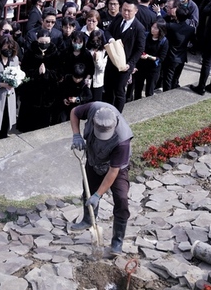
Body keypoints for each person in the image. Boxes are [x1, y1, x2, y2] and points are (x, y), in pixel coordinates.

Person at [69, 102, 133, 257]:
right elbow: (74, 112)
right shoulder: (94, 108)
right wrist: (76, 134)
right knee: (88, 190)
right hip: (94, 157)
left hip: (115, 167)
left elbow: (113, 172)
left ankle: (117, 241)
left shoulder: (122, 140)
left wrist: (98, 195)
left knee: (122, 200)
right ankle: (88, 220)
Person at [105, 0, 146, 112]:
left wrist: (131, 64)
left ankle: (117, 114)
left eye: (129, 11)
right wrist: (111, 39)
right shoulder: (118, 18)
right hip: (112, 60)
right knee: (108, 88)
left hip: (125, 65)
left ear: (135, 11)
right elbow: (107, 31)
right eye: (124, 10)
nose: (126, 13)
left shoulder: (139, 28)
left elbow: (140, 48)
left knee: (119, 90)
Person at [17, 29, 62, 133]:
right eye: (42, 42)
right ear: (37, 40)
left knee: (43, 125)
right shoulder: (30, 52)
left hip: (48, 95)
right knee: (28, 126)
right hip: (31, 93)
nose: (44, 44)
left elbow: (58, 74)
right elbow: (24, 73)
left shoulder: (55, 54)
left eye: (47, 42)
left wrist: (46, 73)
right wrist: (37, 72)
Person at [163, 6, 196, 91]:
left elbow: (161, 24)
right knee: (176, 77)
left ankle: (166, 95)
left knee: (168, 79)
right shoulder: (191, 29)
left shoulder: (172, 26)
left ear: (176, 16)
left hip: (171, 56)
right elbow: (193, 41)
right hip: (182, 57)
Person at [134, 19, 168, 99]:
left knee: (149, 91)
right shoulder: (146, 36)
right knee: (138, 88)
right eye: (153, 27)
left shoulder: (164, 41)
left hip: (153, 69)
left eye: (156, 28)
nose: (153, 29)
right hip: (141, 66)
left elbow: (161, 58)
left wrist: (148, 56)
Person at [85, 29, 108, 102]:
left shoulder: (104, 52)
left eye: (98, 41)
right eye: (93, 41)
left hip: (98, 82)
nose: (95, 43)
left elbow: (102, 69)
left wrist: (97, 60)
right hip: (87, 81)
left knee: (97, 103)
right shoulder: (87, 51)